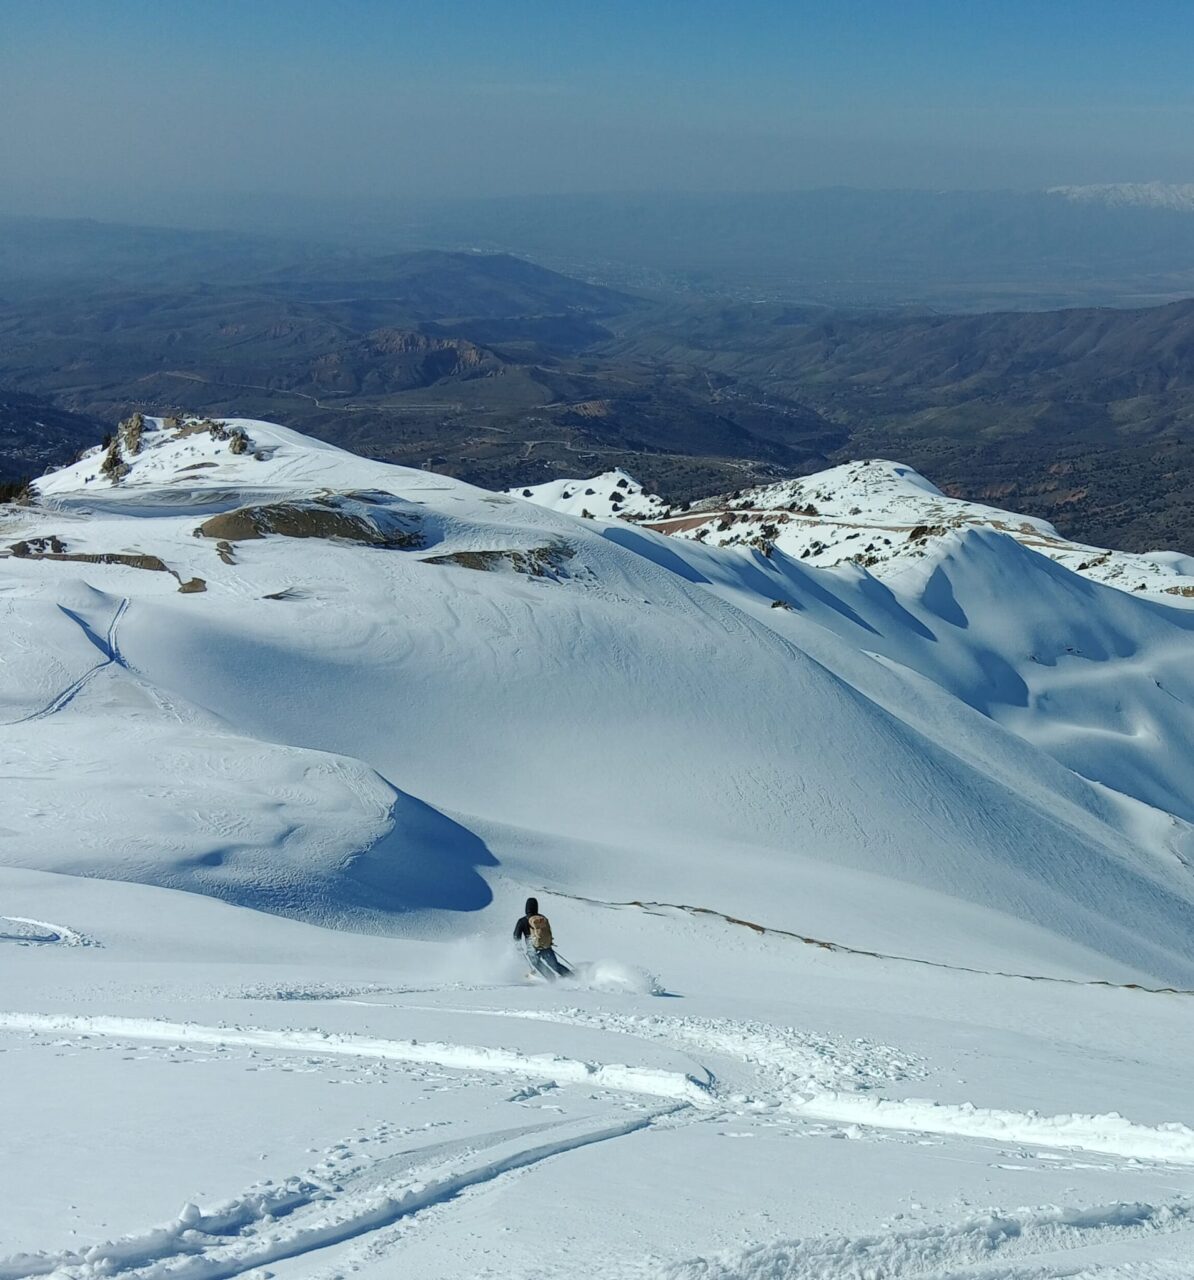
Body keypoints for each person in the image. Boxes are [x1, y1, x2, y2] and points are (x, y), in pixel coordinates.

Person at [513, 896, 571, 979]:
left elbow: (516, 935)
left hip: (531, 946)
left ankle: (551, 979)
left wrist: (518, 946)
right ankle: (572, 976)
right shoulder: (542, 918)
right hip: (545, 945)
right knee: (554, 964)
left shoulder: (522, 921)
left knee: (537, 963)